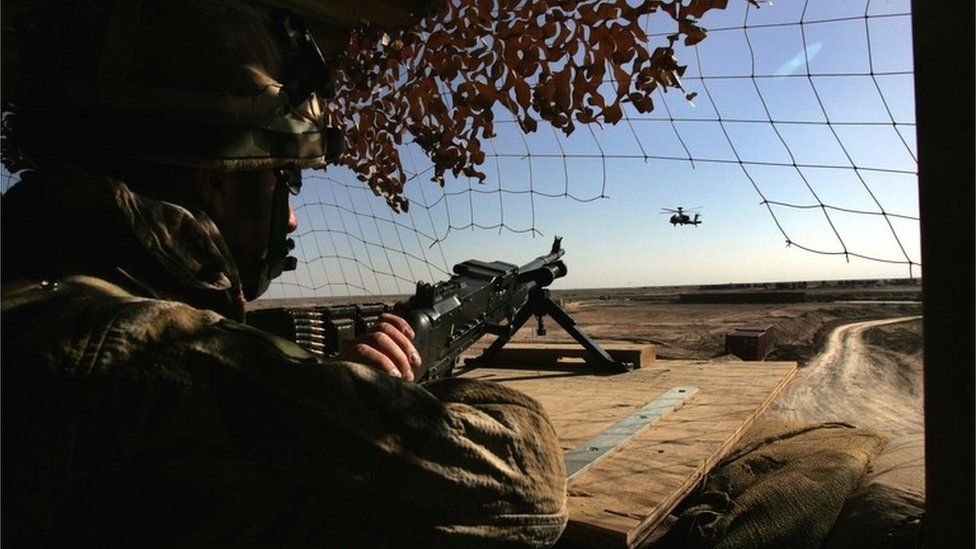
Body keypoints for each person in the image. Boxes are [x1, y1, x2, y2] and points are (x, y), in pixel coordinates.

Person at [1, 1, 567, 546]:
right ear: (216, 180)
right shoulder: (143, 350)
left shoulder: (38, 285)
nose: (292, 216)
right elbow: (528, 488)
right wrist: (358, 396)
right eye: (283, 182)